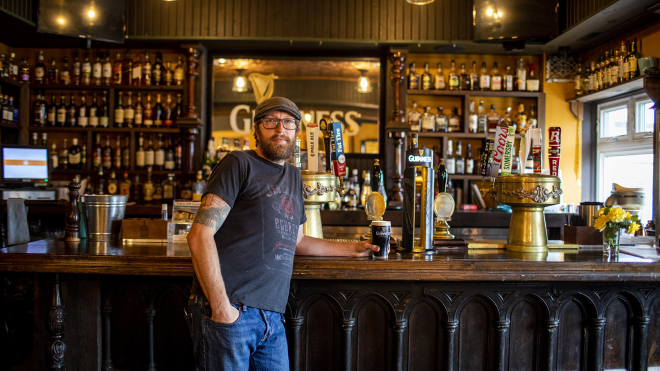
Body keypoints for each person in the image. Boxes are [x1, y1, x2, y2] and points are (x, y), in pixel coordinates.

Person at [186, 96, 379, 370]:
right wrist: (221, 308)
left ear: (295, 131)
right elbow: (199, 234)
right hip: (230, 311)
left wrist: (352, 248)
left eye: (288, 122)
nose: (280, 129)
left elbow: (297, 240)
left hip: (272, 318)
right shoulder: (238, 163)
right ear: (256, 129)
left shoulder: (293, 176)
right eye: (271, 121)